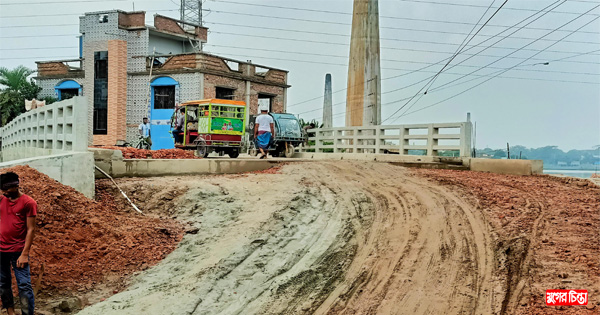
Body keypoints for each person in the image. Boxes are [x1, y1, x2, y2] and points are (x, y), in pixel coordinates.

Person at [0, 172, 37, 315]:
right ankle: (10, 312)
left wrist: (25, 254)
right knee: (3, 283)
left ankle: (27, 313)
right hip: (1, 250)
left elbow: (31, 229)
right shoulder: (2, 199)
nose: (4, 193)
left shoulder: (28, 203)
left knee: (24, 285)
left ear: (15, 186)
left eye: (5, 190)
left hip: (18, 251)